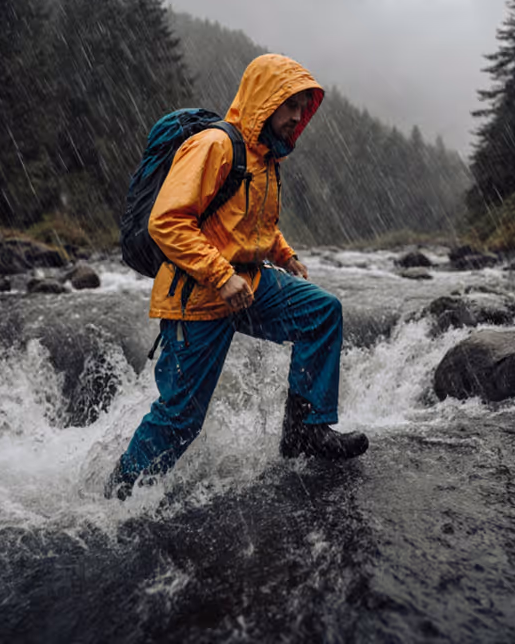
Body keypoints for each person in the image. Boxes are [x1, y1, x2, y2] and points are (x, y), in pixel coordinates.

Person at [105, 53, 369, 501]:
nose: (297, 116)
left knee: (321, 312)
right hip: (199, 293)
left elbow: (250, 224)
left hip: (247, 285)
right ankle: (117, 497)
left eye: (303, 108)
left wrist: (285, 255)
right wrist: (220, 275)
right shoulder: (215, 145)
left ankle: (306, 431)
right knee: (180, 419)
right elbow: (166, 222)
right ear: (266, 101)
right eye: (291, 105)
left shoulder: (266, 159)